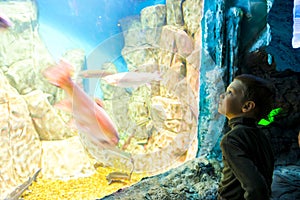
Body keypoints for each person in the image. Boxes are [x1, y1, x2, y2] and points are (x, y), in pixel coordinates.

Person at [217, 74, 275, 200]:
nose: (222, 96)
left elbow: (256, 187)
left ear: (247, 106)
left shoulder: (231, 139)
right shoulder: (262, 137)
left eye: (229, 92)